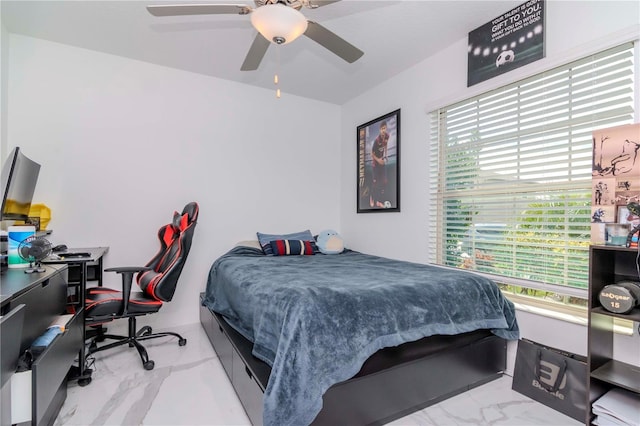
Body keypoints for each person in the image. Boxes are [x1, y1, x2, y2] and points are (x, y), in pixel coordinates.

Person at [370, 121, 389, 208]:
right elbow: (372, 154)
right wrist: (378, 160)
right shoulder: (376, 140)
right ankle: (372, 197)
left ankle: (379, 201)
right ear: (379, 129)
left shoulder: (387, 136)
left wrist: (386, 155)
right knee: (375, 183)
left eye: (384, 128)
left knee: (384, 181)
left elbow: (385, 146)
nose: (383, 130)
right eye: (382, 129)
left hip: (381, 162)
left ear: (386, 128)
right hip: (375, 164)